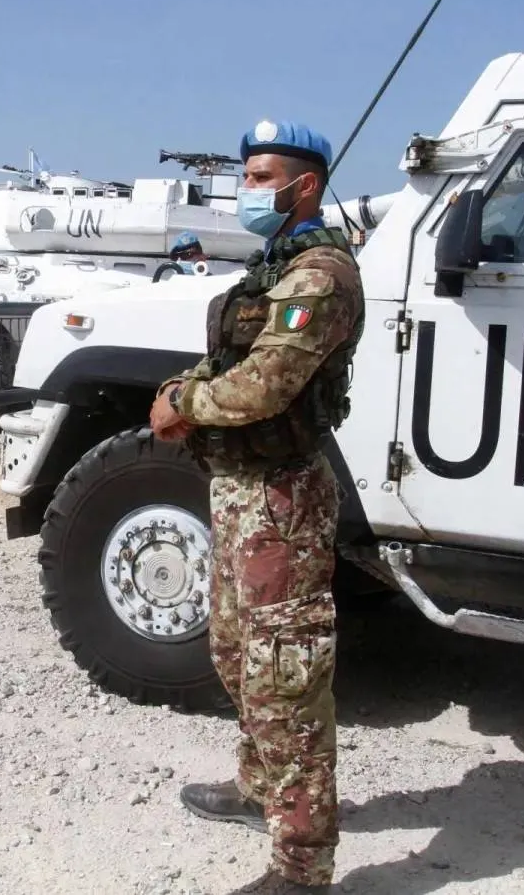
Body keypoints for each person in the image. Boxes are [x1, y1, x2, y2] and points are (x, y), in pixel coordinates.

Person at [148, 120, 365, 895]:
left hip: (281, 500)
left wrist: (186, 404)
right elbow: (232, 356)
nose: (247, 190)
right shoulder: (274, 267)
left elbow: (267, 383)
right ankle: (262, 788)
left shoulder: (320, 276)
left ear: (304, 186)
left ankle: (303, 868)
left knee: (285, 679)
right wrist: (186, 383)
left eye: (261, 176)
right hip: (241, 492)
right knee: (239, 658)